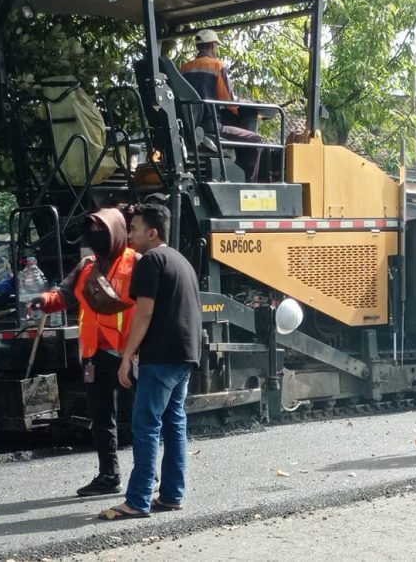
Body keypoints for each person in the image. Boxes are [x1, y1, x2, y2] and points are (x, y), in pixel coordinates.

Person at [99, 204, 201, 520]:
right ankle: (171, 495)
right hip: (186, 354)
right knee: (173, 424)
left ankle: (138, 500)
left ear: (152, 232)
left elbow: (144, 314)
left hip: (161, 356)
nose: (129, 235)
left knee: (146, 425)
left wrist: (127, 356)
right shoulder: (181, 261)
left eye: (134, 229)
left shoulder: (151, 261)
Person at [30, 208, 139, 497]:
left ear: (116, 230)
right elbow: (64, 295)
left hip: (126, 355)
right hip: (93, 354)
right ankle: (108, 475)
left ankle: (146, 474)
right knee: (102, 419)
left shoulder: (136, 263)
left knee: (139, 419)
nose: (95, 237)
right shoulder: (87, 266)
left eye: (101, 230)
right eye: (91, 231)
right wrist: (44, 300)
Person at [178, 29, 264, 182]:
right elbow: (230, 104)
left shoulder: (183, 69)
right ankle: (248, 183)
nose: (217, 49)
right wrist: (246, 110)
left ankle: (234, 173)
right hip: (211, 128)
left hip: (189, 128)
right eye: (217, 46)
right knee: (255, 140)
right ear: (212, 45)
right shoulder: (217, 66)